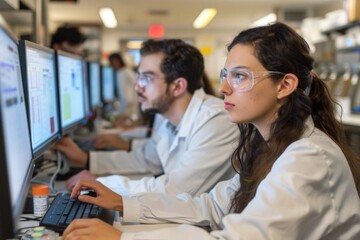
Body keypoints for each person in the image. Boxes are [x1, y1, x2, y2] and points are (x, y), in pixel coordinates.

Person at [62, 22, 360, 240]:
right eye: (226, 75)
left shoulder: (308, 159)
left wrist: (122, 238)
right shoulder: (265, 144)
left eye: (240, 76)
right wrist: (122, 202)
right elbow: (215, 205)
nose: (224, 88)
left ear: (285, 85)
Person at [53, 39, 238, 196]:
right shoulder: (166, 116)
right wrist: (87, 160)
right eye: (139, 76)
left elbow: (178, 190)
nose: (137, 87)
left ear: (177, 86)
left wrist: (104, 184)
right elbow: (147, 159)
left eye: (147, 78)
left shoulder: (216, 121)